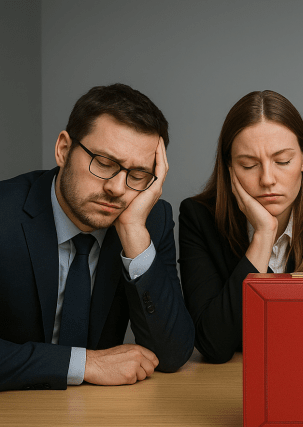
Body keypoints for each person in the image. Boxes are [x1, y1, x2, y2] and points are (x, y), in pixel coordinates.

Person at [0, 83, 195, 391]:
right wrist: (84, 364)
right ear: (64, 149)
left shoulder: (148, 221)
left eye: (137, 175)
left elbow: (172, 354)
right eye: (104, 163)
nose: (118, 188)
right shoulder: (4, 214)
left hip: (95, 417)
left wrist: (133, 232)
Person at [179, 90, 303, 364]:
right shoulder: (198, 217)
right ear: (229, 166)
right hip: (229, 380)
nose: (267, 179)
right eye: (249, 165)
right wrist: (263, 235)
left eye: (282, 162)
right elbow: (214, 345)